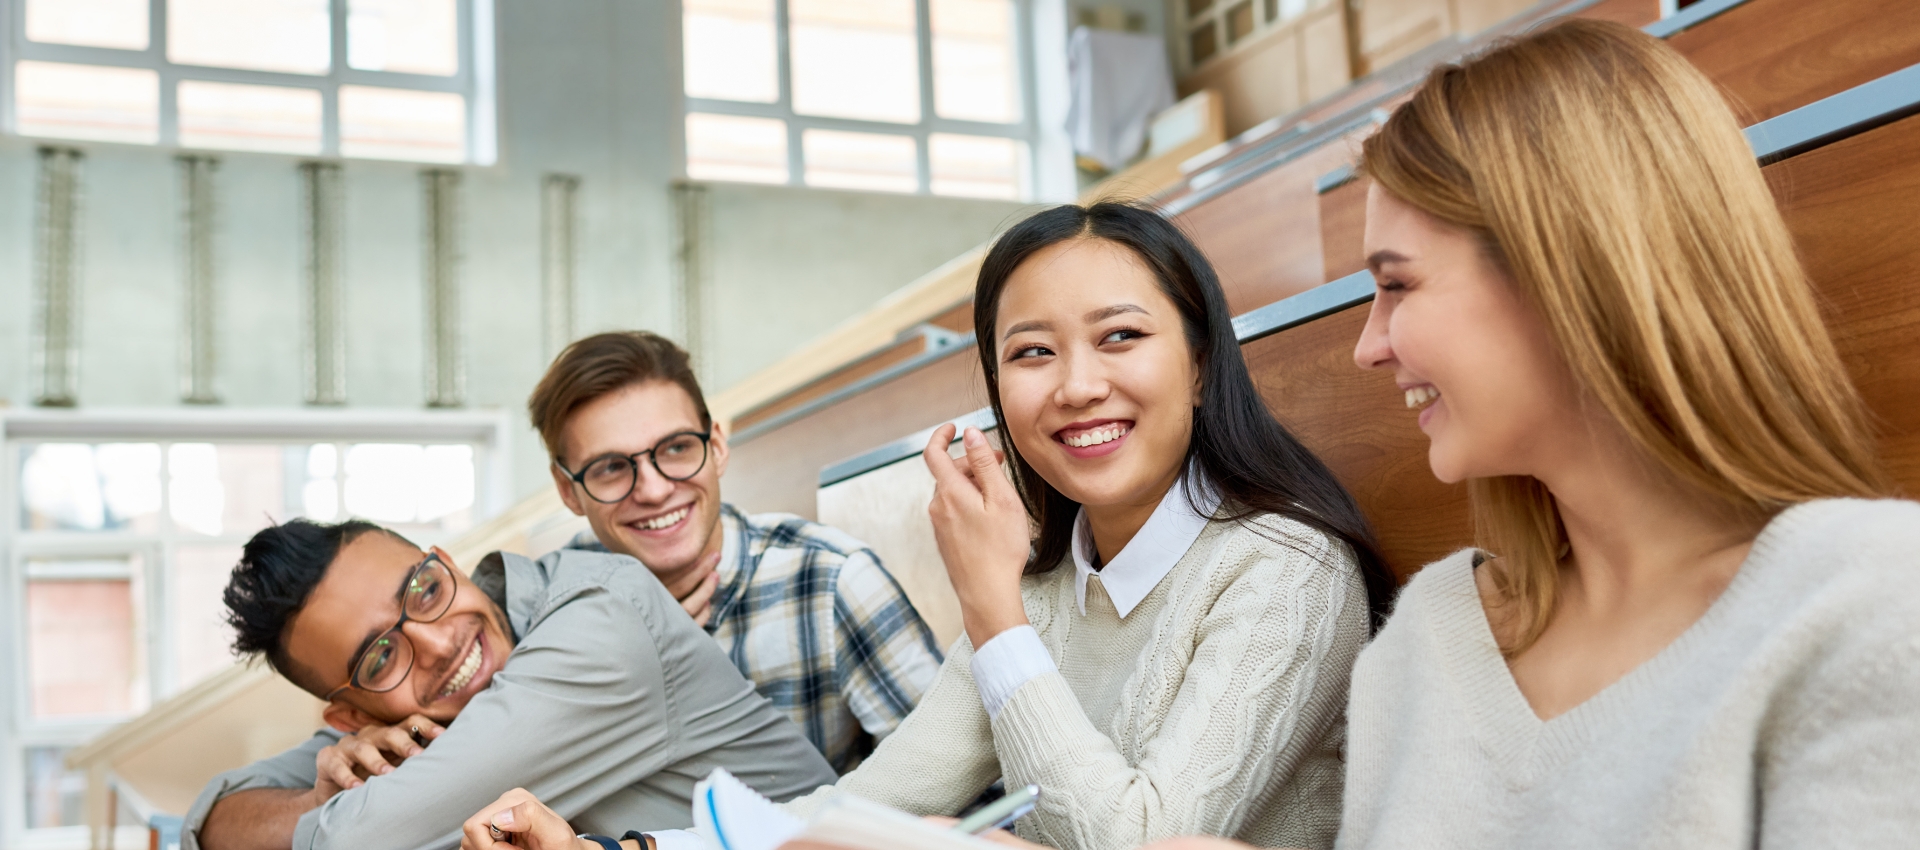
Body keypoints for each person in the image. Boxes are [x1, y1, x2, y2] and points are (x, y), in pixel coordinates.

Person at [1115, 17, 1920, 850]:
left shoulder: (1868, 606)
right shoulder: (1431, 635)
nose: (1367, 346)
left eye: (1397, 285)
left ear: (1565, 270)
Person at [459, 201, 1400, 850]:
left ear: (1199, 364)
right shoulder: (1041, 585)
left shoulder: (1287, 569)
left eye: (1121, 337)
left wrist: (994, 614)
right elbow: (858, 806)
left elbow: (1142, 842)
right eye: (1032, 353)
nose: (1076, 386)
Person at [184, 519, 836, 850]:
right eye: (381, 658)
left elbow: (356, 840)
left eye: (425, 588)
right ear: (351, 718)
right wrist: (318, 795)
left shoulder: (602, 619)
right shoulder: (403, 725)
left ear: (444, 561)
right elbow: (215, 814)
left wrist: (327, 816)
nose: (440, 643)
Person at [530, 331, 943, 771]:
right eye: (610, 468)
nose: (654, 490)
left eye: (676, 448)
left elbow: (970, 798)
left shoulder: (829, 582)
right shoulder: (552, 608)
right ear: (568, 491)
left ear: (718, 446)